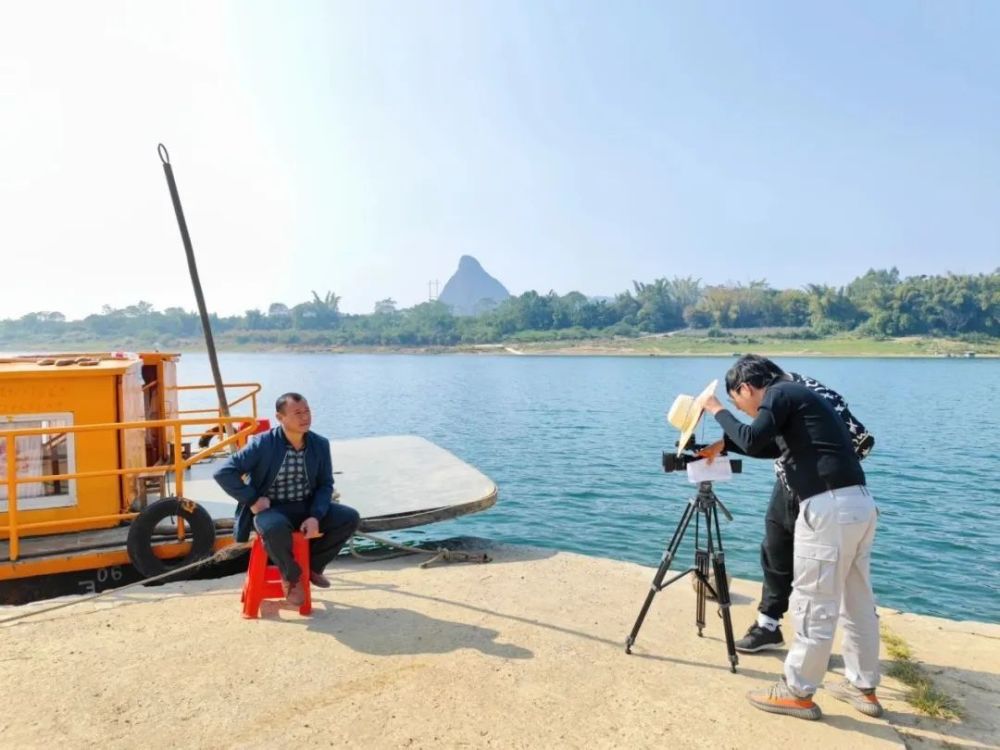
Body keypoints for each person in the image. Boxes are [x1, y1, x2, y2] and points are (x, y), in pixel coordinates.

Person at [701, 355, 883, 721]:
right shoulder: (800, 395)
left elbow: (754, 440)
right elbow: (772, 446)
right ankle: (863, 687)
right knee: (857, 602)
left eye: (740, 402)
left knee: (813, 601)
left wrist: (716, 408)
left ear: (746, 388)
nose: (746, 410)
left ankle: (798, 692)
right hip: (858, 504)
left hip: (827, 507)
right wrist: (725, 442)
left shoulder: (779, 393)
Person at [214, 392, 360, 606]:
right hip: (272, 509)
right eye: (297, 413)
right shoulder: (263, 444)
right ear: (280, 417)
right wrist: (253, 499)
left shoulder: (320, 444)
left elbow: (325, 485)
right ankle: (292, 578)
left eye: (307, 411)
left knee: (349, 517)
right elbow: (223, 472)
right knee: (273, 529)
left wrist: (315, 516)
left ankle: (313, 567)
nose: (305, 417)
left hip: (306, 505)